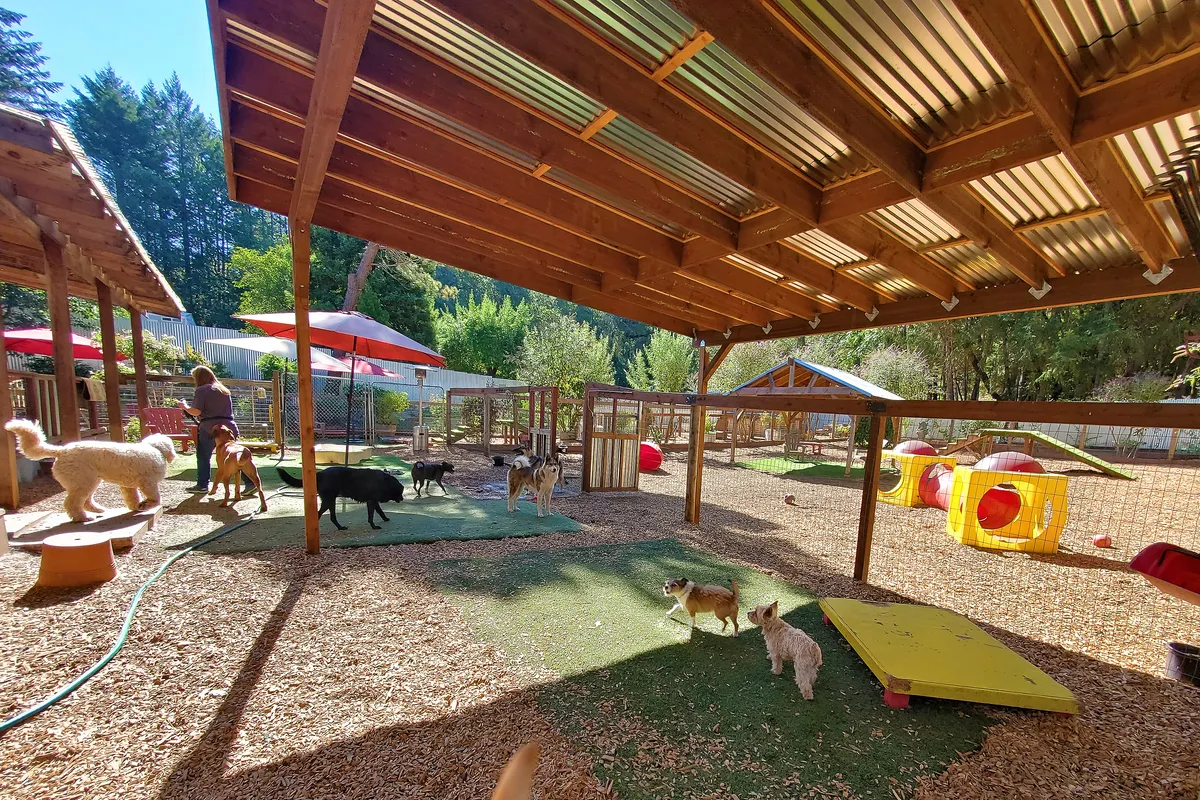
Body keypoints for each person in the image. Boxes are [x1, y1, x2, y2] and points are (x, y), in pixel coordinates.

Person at [178, 366, 255, 494]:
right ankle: (250, 482)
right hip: (229, 426)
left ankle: (202, 485)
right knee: (235, 455)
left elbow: (196, 411)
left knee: (203, 456)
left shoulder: (202, 390)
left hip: (210, 427)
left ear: (198, 377)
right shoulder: (223, 390)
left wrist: (184, 406)